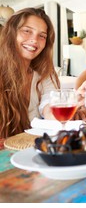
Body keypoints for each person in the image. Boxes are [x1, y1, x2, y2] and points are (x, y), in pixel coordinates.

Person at [0, 8, 60, 138]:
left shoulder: (44, 75)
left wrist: (67, 105)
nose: (34, 40)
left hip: (32, 149)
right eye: (27, 31)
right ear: (11, 33)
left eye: (42, 36)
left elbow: (49, 106)